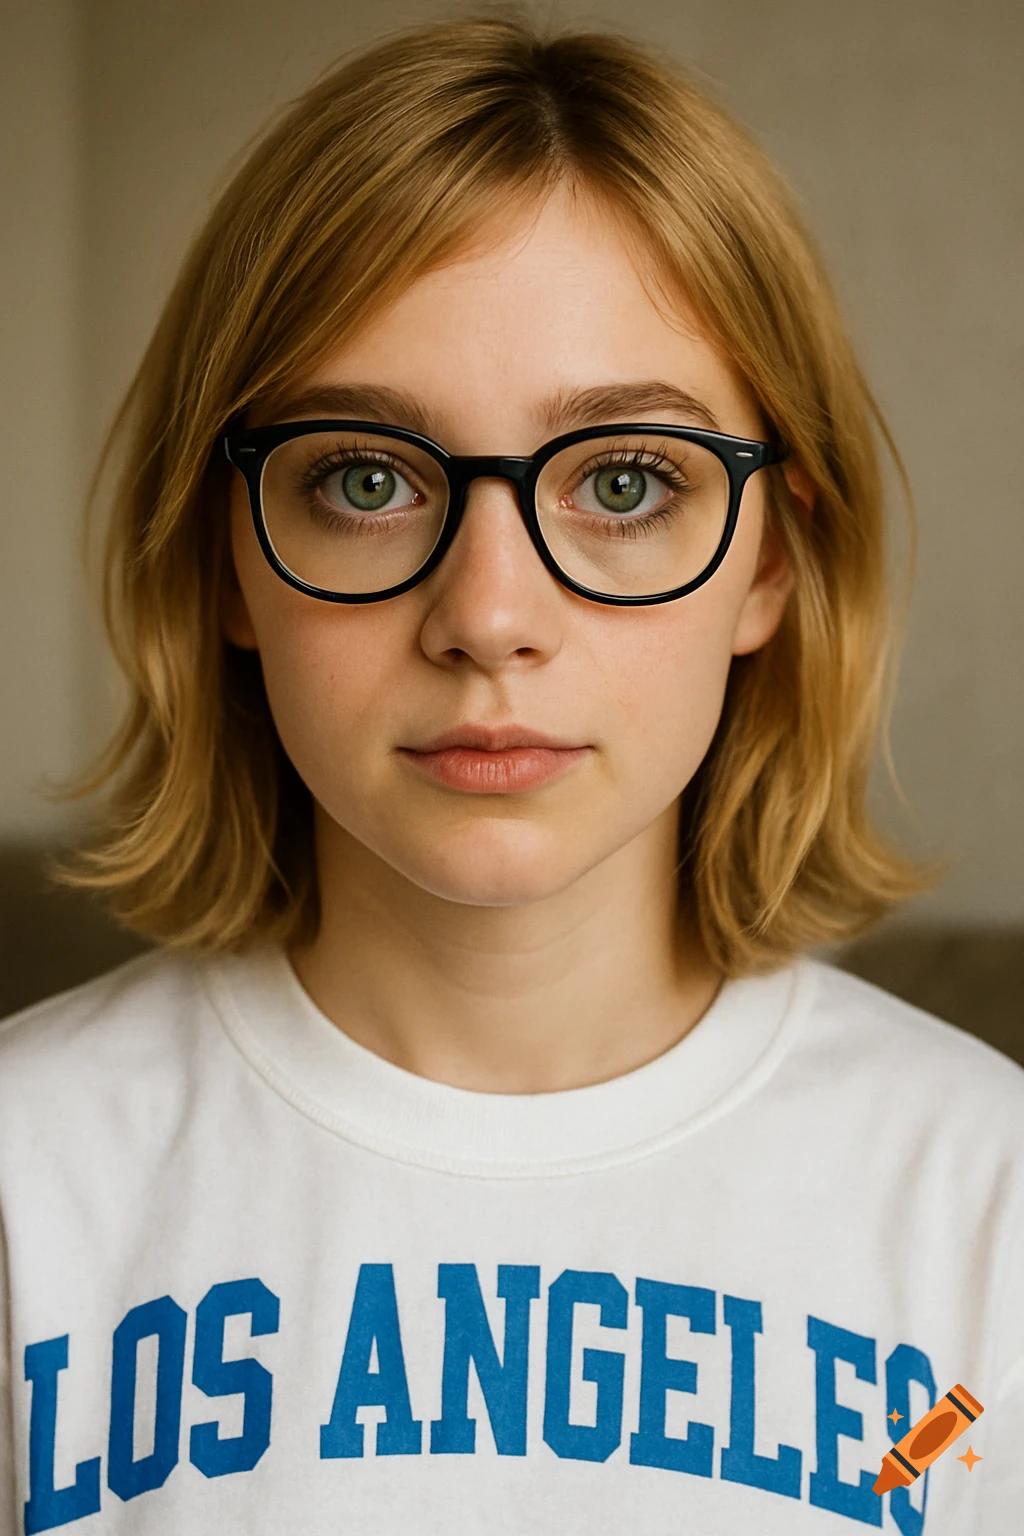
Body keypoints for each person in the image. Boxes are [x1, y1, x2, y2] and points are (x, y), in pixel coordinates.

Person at [1, 14, 1020, 1535]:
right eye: (364, 480)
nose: (486, 617)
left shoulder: (988, 1208)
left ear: (774, 561)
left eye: (624, 483)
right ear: (225, 555)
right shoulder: (31, 1185)